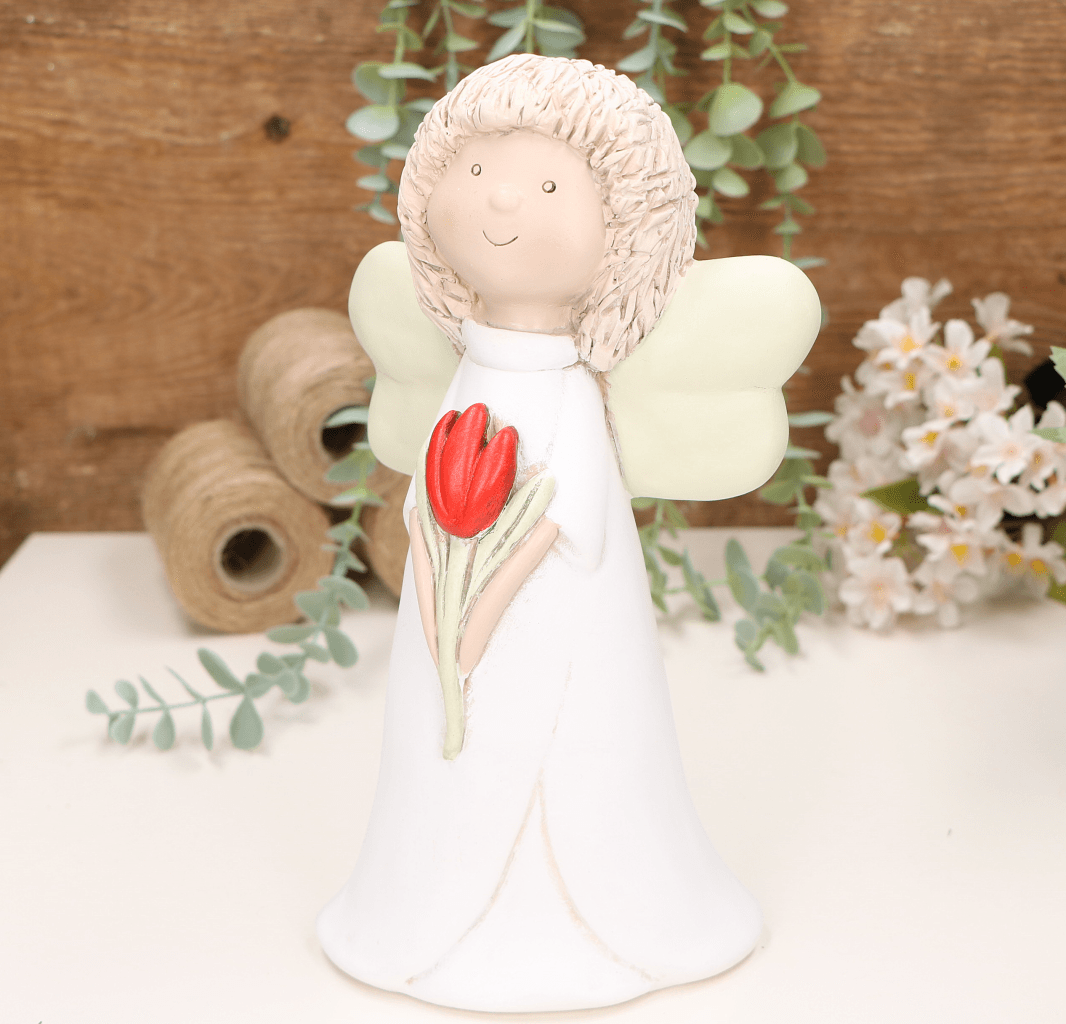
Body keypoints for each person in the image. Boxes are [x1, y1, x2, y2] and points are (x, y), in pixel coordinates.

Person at [318, 53, 818, 1013]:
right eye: (475, 170)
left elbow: (558, 523)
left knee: (564, 753)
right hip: (447, 622)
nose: (502, 199)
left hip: (552, 634)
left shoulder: (568, 397)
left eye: (549, 186)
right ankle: (419, 911)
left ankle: (581, 915)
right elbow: (428, 500)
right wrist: (437, 595)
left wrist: (473, 621)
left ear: (625, 231)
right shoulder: (467, 372)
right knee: (442, 762)